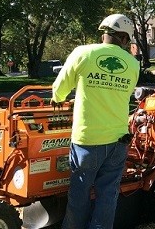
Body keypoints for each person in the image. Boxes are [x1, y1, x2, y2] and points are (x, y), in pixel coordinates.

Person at [51, 14, 140, 229]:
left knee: (80, 194)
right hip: (118, 140)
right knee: (108, 195)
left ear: (104, 34)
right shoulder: (133, 64)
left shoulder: (83, 53)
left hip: (87, 141)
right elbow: (123, 93)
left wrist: (57, 99)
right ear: (125, 39)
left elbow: (60, 89)